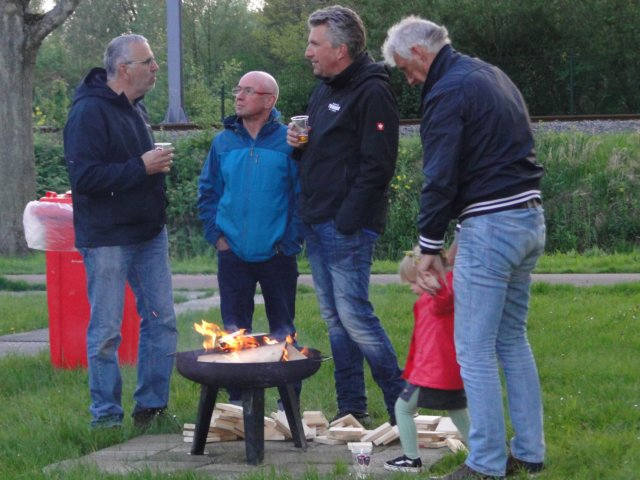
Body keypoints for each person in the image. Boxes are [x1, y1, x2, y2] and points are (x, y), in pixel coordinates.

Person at [382, 17, 546, 479]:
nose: (409, 79)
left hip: (494, 226)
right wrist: (455, 241)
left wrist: (428, 247)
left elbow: (440, 175)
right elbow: (493, 160)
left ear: (418, 53)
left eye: (405, 69)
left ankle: (486, 463)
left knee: (472, 350)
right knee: (512, 340)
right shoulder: (489, 75)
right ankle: (530, 453)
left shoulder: (446, 89)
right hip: (529, 217)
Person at [287, 5, 404, 426]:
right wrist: (297, 144)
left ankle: (400, 406)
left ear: (340, 49)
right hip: (317, 221)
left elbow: (379, 166)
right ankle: (351, 408)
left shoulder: (372, 91)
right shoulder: (324, 89)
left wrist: (348, 219)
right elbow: (323, 152)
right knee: (336, 319)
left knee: (355, 315)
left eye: (315, 44)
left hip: (345, 225)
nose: (307, 52)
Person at [64, 34, 178, 429]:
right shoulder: (88, 112)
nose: (155, 67)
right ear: (124, 69)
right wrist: (141, 167)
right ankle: (106, 418)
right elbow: (84, 177)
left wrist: (150, 172)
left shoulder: (135, 108)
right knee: (107, 331)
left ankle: (152, 409)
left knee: (162, 320)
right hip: (109, 236)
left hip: (148, 233)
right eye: (148, 61)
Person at [198, 71, 303, 403]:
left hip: (277, 255)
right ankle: (237, 406)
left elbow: (302, 196)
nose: (238, 97)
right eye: (237, 90)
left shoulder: (290, 142)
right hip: (233, 256)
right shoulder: (223, 142)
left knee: (283, 333)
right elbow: (208, 193)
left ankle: (289, 406)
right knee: (233, 332)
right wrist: (217, 238)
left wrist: (288, 242)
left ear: (269, 101)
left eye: (248, 91)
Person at [385, 240, 470, 474]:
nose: (412, 287)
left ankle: (411, 459)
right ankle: (485, 451)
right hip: (447, 373)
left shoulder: (441, 296)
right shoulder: (436, 296)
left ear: (430, 275)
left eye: (414, 281)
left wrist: (439, 287)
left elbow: (444, 299)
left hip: (432, 374)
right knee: (458, 412)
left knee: (402, 408)